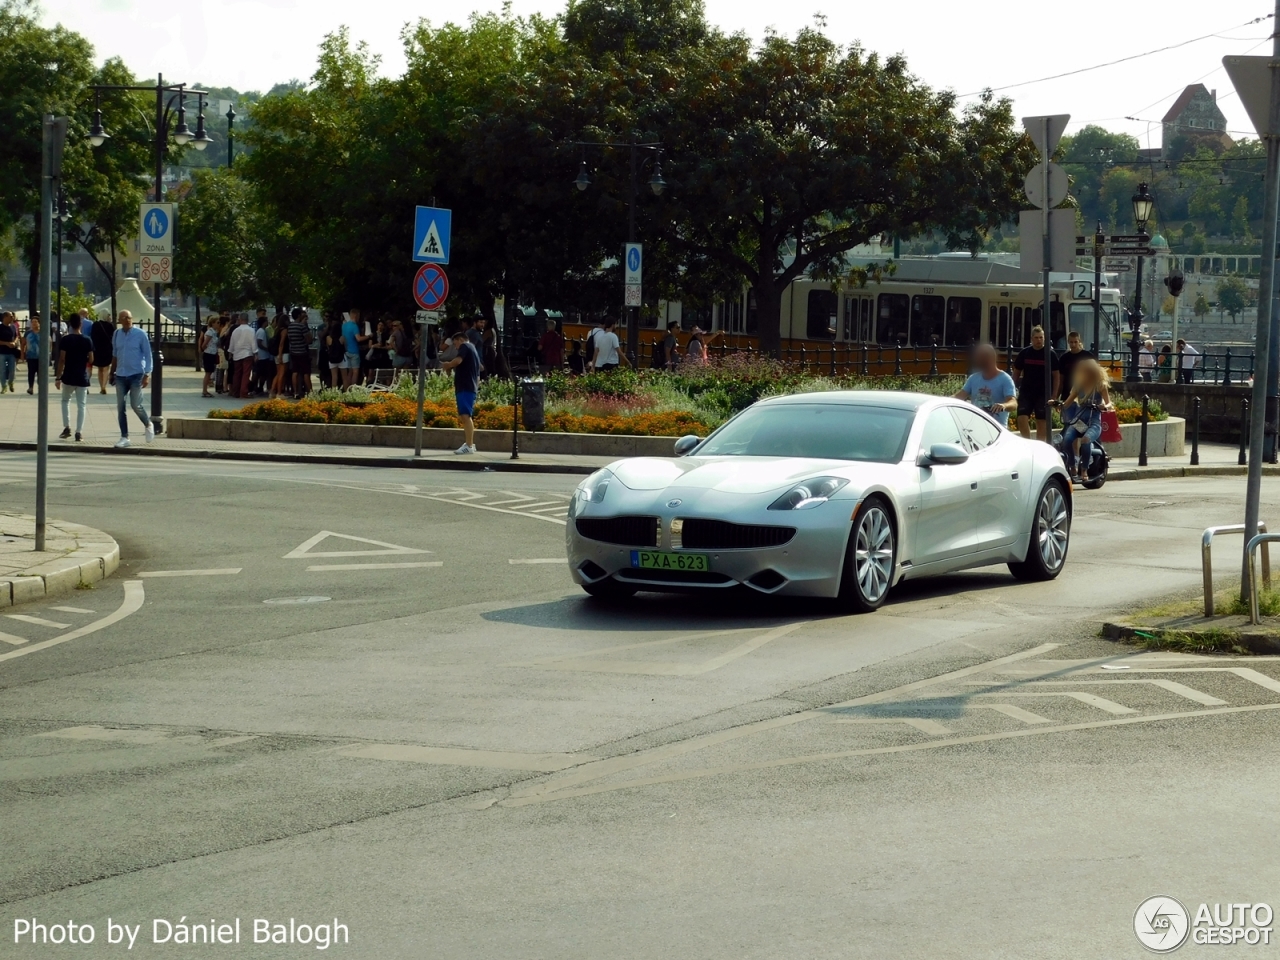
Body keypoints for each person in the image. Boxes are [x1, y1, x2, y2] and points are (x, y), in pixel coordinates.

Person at [1058, 358, 1113, 483]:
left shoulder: (1100, 385)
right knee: (1066, 439)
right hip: (1079, 421)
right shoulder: (1079, 386)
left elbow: (1109, 403)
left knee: (1086, 440)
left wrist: (1104, 406)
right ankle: (1072, 466)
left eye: (1088, 371)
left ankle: (1084, 469)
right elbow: (1067, 403)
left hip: (1093, 422)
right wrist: (1057, 404)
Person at [109, 310, 154, 447]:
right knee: (120, 406)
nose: (127, 320)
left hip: (136, 374)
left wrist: (147, 374)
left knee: (135, 404)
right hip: (121, 374)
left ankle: (148, 423)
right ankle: (124, 437)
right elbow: (115, 354)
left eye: (129, 317)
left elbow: (148, 354)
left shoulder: (140, 334)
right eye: (124, 318)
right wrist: (112, 372)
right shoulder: (117, 334)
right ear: (119, 320)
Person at [1012, 325, 1060, 441]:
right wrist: (1012, 389)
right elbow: (1016, 372)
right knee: (1021, 417)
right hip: (1026, 392)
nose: (1039, 340)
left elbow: (1056, 376)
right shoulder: (1025, 353)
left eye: (1041, 337)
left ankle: (1039, 446)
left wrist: (1054, 395)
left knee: (1041, 421)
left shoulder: (1050, 354)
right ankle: (1027, 443)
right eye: (1036, 338)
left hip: (1043, 394)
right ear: (1031, 338)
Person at [954, 343, 1017, 428]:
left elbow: (1013, 403)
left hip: (996, 429)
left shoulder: (1005, 379)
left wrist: (1003, 406)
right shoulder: (973, 378)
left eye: (979, 357)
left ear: (988, 358)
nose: (976, 360)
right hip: (976, 427)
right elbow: (959, 396)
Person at [438, 330, 481, 454]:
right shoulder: (473, 350)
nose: (456, 347)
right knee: (465, 415)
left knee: (465, 415)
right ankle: (469, 443)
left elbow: (458, 361)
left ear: (460, 340)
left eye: (455, 344)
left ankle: (469, 445)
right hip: (469, 386)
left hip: (465, 386)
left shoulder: (465, 346)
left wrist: (448, 365)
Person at [54, 313, 93, 441]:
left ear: (70, 324)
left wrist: (58, 377)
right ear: (80, 324)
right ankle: (79, 432)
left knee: (65, 401)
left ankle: (67, 427)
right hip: (82, 376)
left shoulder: (66, 340)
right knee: (82, 405)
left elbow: (62, 359)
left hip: (68, 376)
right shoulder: (87, 340)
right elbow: (91, 359)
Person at [1057, 331, 1093, 401]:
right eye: (1071, 342)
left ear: (1079, 342)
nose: (1073, 344)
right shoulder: (1064, 358)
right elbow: (1061, 380)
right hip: (1067, 394)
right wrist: (1057, 397)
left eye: (1075, 342)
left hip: (1084, 394)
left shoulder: (1088, 356)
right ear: (1068, 342)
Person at [229, 313, 256, 398]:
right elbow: (253, 343)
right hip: (247, 354)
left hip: (237, 354)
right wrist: (255, 353)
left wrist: (231, 353)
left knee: (237, 374)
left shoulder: (235, 330)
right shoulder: (251, 330)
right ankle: (243, 392)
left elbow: (232, 344)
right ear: (247, 320)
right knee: (246, 374)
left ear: (240, 319)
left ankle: (236, 391)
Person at [288, 307, 313, 396]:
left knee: (295, 372)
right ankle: (310, 392)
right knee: (306, 372)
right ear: (299, 315)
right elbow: (309, 339)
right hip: (302, 352)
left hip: (293, 352)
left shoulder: (290, 327)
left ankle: (295, 392)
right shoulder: (302, 326)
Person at [91, 310, 114, 394]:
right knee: (106, 368)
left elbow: (92, 337)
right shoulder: (110, 325)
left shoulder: (95, 325)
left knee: (100, 369)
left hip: (98, 349)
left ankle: (102, 386)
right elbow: (113, 337)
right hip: (107, 348)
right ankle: (104, 386)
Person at [252, 308, 274, 396]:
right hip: (262, 356)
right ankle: (257, 388)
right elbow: (259, 343)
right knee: (260, 373)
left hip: (263, 356)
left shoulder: (262, 331)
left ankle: (258, 388)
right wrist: (267, 348)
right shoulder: (261, 331)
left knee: (261, 373)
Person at [199, 316, 221, 397]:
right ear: (213, 323)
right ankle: (204, 391)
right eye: (217, 322)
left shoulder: (214, 332)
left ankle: (205, 390)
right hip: (209, 354)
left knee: (209, 372)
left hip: (212, 353)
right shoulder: (210, 332)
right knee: (208, 373)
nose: (219, 324)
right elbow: (204, 344)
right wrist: (205, 350)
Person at [340, 310, 362, 389]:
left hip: (346, 351)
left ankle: (347, 389)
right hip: (354, 351)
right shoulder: (354, 326)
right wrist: (369, 336)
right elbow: (358, 339)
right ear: (356, 316)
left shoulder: (344, 325)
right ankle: (353, 389)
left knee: (349, 372)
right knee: (355, 371)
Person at [273, 314, 293, 397]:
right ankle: (279, 393)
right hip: (283, 353)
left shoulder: (277, 330)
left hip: (276, 354)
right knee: (282, 374)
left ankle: (272, 391)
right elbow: (281, 344)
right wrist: (280, 355)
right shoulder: (284, 330)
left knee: (278, 374)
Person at [0, 311, 18, 392]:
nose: (12, 318)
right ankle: (4, 386)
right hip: (2, 352)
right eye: (10, 316)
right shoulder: (0, 327)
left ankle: (11, 382)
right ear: (5, 317)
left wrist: (14, 342)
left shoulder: (13, 327)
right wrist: (6, 343)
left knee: (12, 370)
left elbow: (16, 336)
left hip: (12, 352)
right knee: (2, 370)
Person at [24, 314, 40, 394]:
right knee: (31, 373)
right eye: (32, 322)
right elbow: (23, 343)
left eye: (36, 322)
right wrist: (22, 354)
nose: (34, 323)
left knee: (41, 374)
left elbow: (49, 343)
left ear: (39, 323)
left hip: (41, 357)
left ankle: (41, 388)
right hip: (30, 356)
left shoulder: (43, 332)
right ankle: (30, 387)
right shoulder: (28, 333)